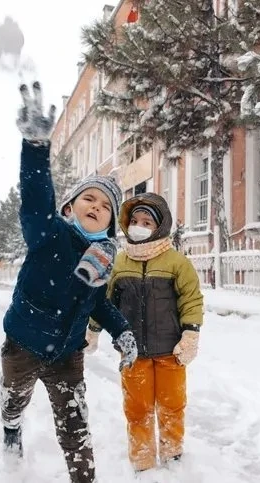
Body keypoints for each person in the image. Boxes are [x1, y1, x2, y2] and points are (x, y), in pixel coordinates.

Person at [0, 81, 138, 483]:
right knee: (13, 400)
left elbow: (96, 303)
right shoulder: (48, 234)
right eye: (89, 199)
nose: (96, 206)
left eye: (106, 206)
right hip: (23, 344)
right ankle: (10, 426)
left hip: (67, 356)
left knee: (75, 426)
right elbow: (35, 194)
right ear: (69, 207)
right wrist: (36, 147)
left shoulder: (104, 258)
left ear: (111, 223)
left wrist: (121, 330)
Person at [87, 193, 203, 472]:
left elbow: (191, 299)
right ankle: (142, 459)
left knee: (172, 405)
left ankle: (173, 453)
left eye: (147, 221)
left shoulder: (177, 263)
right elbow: (105, 302)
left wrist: (191, 334)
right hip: (132, 352)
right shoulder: (119, 264)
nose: (139, 225)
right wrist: (92, 329)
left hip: (170, 352)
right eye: (135, 220)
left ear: (159, 227)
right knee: (137, 409)